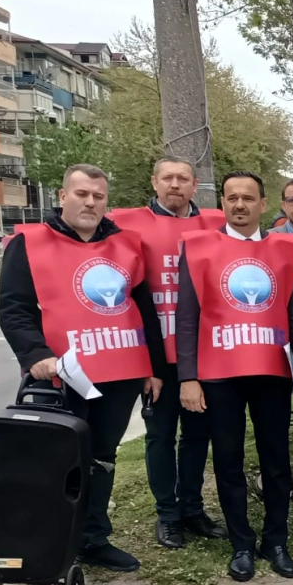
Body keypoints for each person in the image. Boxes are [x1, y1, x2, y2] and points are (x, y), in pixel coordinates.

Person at [0, 163, 168, 572]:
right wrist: (35, 355)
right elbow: (14, 308)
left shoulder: (127, 244)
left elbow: (145, 309)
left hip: (121, 372)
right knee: (57, 459)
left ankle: (93, 537)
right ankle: (50, 543)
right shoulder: (29, 243)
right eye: (82, 194)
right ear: (62, 196)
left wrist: (154, 367)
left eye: (98, 196)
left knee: (103, 456)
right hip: (59, 375)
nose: (90, 202)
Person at [176, 171, 293, 582]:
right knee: (228, 461)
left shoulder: (284, 249)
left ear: (262, 203)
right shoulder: (198, 248)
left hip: (272, 371)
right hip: (219, 375)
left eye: (248, 198)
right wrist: (188, 376)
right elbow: (187, 317)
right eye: (232, 197)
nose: (240, 204)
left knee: (276, 460)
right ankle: (241, 544)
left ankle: (276, 540)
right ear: (222, 202)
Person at [109, 156, 227, 550]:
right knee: (159, 437)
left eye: (183, 178)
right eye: (168, 178)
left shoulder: (215, 224)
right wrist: (146, 363)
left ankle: (192, 508)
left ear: (195, 184)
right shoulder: (127, 226)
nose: (175, 185)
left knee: (197, 436)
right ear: (154, 182)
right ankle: (168, 514)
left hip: (204, 355)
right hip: (157, 358)